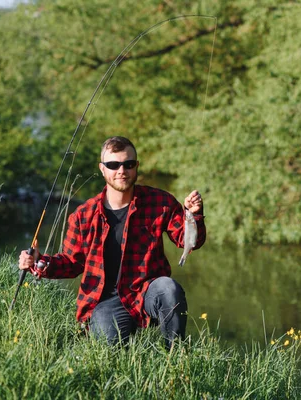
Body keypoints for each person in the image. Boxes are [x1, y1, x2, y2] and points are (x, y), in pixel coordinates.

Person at [18, 136, 206, 348]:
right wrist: (38, 262)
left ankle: (176, 356)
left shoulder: (160, 202)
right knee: (108, 345)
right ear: (102, 169)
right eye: (113, 165)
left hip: (146, 291)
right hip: (106, 301)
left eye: (128, 164)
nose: (121, 170)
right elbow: (72, 263)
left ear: (136, 166)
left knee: (169, 288)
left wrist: (194, 215)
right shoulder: (82, 215)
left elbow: (188, 241)